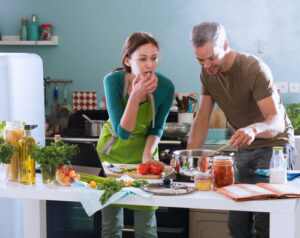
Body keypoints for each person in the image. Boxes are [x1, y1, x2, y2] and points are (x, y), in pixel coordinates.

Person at [188, 22, 298, 238]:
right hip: (245, 150)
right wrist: (191, 156)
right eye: (200, 60)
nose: (207, 66)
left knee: (267, 222)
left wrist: (253, 129)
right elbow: (202, 119)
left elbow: (275, 123)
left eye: (211, 58)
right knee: (237, 223)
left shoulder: (253, 69)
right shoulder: (207, 75)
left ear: (225, 45)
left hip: (274, 149)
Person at [96, 32, 175, 238]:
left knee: (146, 227)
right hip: (113, 157)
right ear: (127, 61)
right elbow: (122, 132)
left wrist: (148, 156)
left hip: (144, 157)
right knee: (111, 226)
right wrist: (135, 97)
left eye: (154, 58)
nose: (150, 64)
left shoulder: (166, 87)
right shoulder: (113, 81)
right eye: (142, 59)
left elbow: (156, 128)